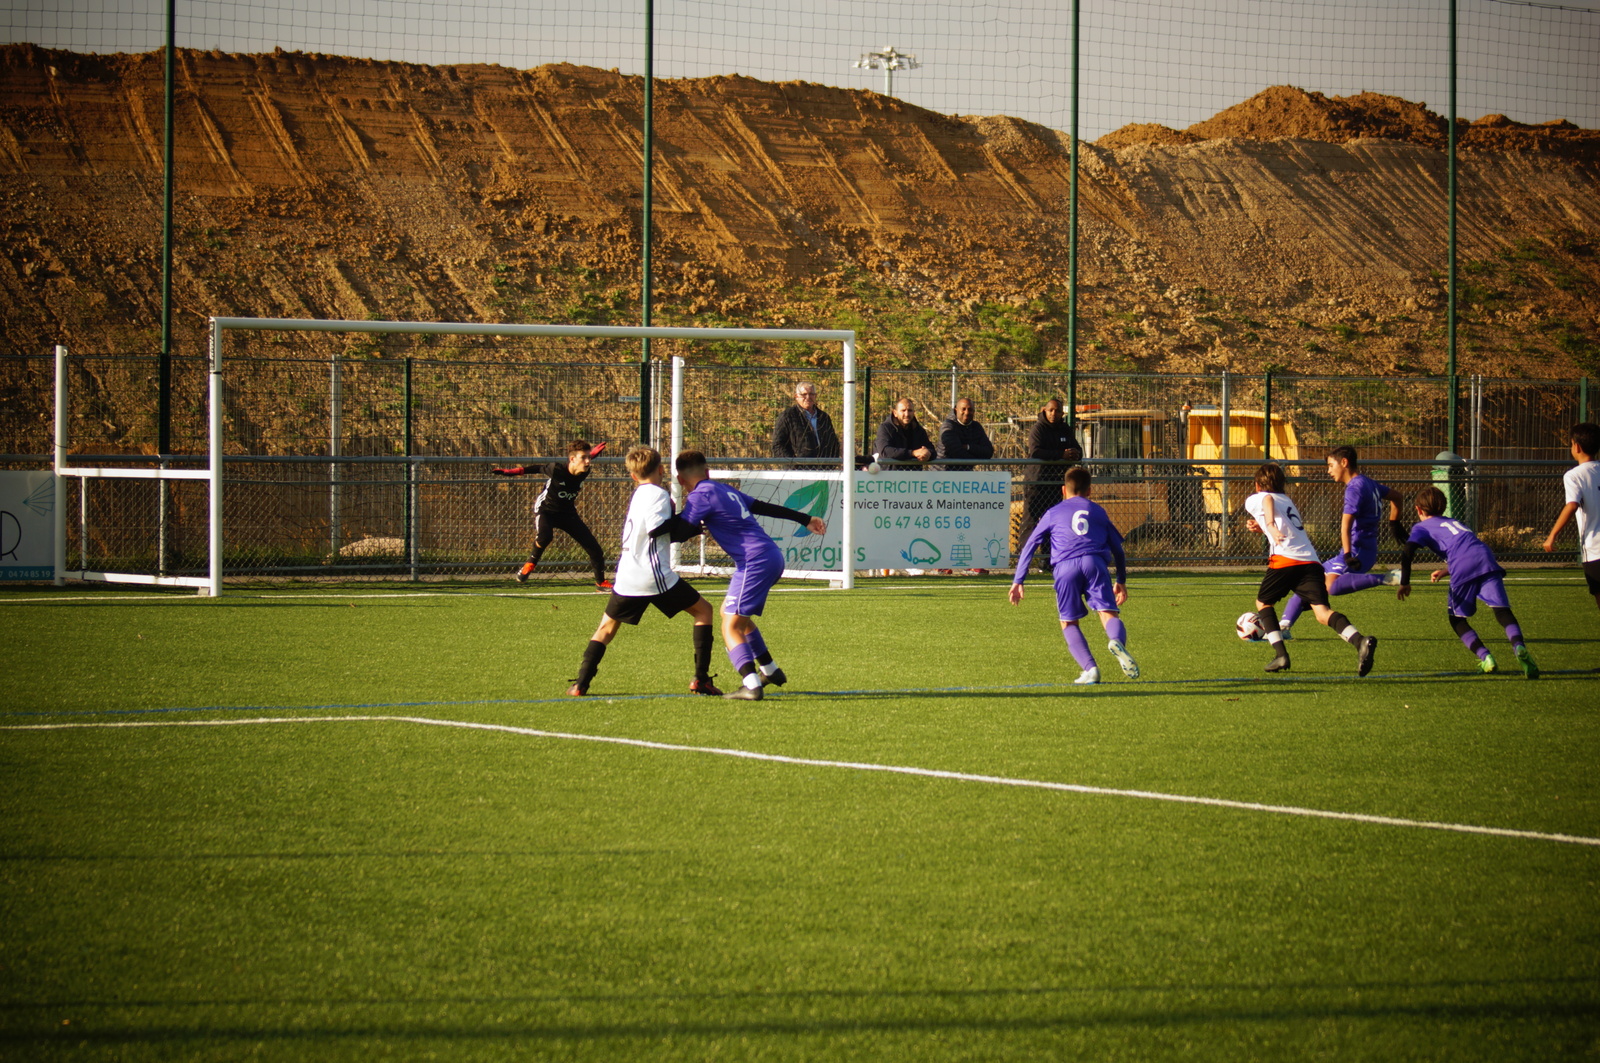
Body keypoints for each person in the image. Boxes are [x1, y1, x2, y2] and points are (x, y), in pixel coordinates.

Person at [672, 450, 828, 701]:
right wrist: (805, 518)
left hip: (755, 562)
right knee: (731, 614)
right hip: (770, 556)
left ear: (680, 480)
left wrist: (658, 524)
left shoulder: (700, 495)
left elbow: (680, 532)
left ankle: (751, 685)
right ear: (708, 472)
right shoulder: (725, 490)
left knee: (730, 625)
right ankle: (770, 670)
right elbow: (764, 507)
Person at [568, 447, 722, 696]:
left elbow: (658, 532)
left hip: (627, 574)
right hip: (652, 574)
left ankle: (581, 683)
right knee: (704, 611)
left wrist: (686, 526)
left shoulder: (639, 493)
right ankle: (701, 679)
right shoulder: (658, 494)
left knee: (606, 628)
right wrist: (688, 521)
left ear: (633, 476)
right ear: (661, 470)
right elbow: (656, 528)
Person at [1242, 463, 1378, 676]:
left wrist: (1269, 525)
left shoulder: (1257, 497)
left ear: (1258, 484)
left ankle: (1280, 655)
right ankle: (1360, 641)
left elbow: (1267, 500)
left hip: (1286, 560)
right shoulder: (1287, 500)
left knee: (1263, 603)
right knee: (1322, 613)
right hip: (1311, 562)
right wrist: (1264, 528)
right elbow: (1288, 528)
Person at [1009, 466, 1140, 685]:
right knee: (1108, 613)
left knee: (1068, 622)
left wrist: (1018, 580)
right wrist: (1121, 580)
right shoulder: (1098, 511)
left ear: (1063, 489)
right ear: (1090, 491)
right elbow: (1118, 550)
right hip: (1094, 563)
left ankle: (1090, 670)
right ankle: (1116, 640)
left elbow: (1030, 545)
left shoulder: (1053, 512)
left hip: (1065, 567)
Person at [1397, 486, 1538, 678]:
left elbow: (1407, 551)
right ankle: (1519, 646)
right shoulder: (1454, 522)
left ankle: (1486, 657)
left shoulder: (1421, 527)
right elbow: (1467, 548)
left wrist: (1404, 581)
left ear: (1418, 509)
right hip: (1485, 557)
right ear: (1443, 507)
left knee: (1456, 619)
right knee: (1502, 610)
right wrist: (1446, 570)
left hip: (1462, 563)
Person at [1279, 445, 1406, 637]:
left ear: (1344, 462)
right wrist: (1394, 523)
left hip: (1357, 550)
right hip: (1364, 548)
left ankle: (1386, 578)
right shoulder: (1368, 482)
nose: (1328, 471)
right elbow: (1397, 496)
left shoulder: (1354, 488)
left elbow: (1345, 525)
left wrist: (1347, 554)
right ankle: (1284, 627)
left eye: (1331, 465)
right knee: (1308, 581)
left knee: (1331, 586)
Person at [495, 440, 611, 590]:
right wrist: (511, 472)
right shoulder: (557, 469)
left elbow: (582, 460)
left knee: (595, 549)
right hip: (546, 510)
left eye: (589, 457)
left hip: (568, 513)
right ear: (572, 459)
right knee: (545, 537)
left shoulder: (584, 470)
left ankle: (600, 583)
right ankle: (530, 563)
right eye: (584, 457)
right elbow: (537, 468)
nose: (588, 461)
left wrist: (591, 454)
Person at [1543, 421, 1600, 614]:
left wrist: (1552, 535)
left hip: (1595, 548)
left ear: (1576, 447)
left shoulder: (1574, 475)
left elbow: (1572, 505)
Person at [1022, 398, 1084, 563]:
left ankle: (1047, 562)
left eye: (1057, 411)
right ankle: (1022, 561)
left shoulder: (1065, 429)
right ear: (1044, 410)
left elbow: (1078, 449)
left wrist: (1075, 454)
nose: (1053, 414)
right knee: (1030, 523)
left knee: (1052, 524)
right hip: (1036, 483)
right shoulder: (1038, 428)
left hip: (1055, 484)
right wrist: (1060, 455)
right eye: (1051, 410)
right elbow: (1036, 451)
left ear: (1062, 413)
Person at [770, 382, 841, 465]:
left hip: (824, 468)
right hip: (799, 469)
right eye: (804, 394)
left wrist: (831, 464)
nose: (808, 397)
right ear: (796, 396)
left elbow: (833, 442)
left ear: (815, 396)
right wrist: (794, 465)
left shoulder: (823, 417)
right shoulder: (787, 416)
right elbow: (778, 445)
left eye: (811, 394)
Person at [937, 397, 995, 471]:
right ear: (956, 410)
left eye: (970, 409)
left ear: (974, 411)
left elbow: (988, 451)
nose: (967, 413)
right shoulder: (948, 426)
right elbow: (956, 453)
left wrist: (968, 447)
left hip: (966, 474)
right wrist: (977, 459)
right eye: (963, 409)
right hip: (943, 473)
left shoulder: (976, 426)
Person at [874, 398, 935, 468]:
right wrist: (912, 453)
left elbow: (932, 450)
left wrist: (928, 454)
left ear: (914, 412)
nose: (907, 414)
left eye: (910, 410)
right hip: (888, 473)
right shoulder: (885, 428)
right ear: (895, 413)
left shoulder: (918, 430)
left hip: (914, 474)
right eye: (903, 410)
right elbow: (885, 451)